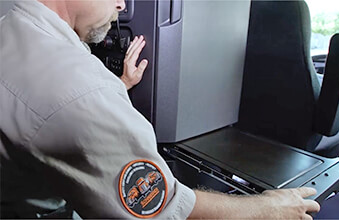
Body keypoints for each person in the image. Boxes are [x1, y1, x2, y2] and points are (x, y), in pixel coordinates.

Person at [0, 0, 320, 219]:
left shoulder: (12, 26)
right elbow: (164, 210)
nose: (122, 5)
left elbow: (41, 106)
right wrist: (267, 208)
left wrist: (116, 87)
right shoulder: (84, 92)